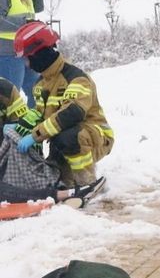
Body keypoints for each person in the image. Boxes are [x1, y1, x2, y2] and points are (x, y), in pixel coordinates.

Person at [12, 21, 113, 187]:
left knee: (69, 136)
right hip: (61, 139)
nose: (26, 64)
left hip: (94, 136)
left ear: (39, 54)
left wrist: (35, 136)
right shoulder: (40, 84)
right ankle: (66, 179)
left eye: (27, 58)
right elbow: (39, 113)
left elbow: (72, 114)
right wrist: (19, 127)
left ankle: (86, 181)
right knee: (57, 176)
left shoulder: (76, 78)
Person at [0, 0, 43, 107]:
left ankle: (35, 125)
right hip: (8, 54)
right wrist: (25, 23)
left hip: (27, 52)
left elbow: (38, 6)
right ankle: (5, 130)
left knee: (37, 93)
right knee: (10, 99)